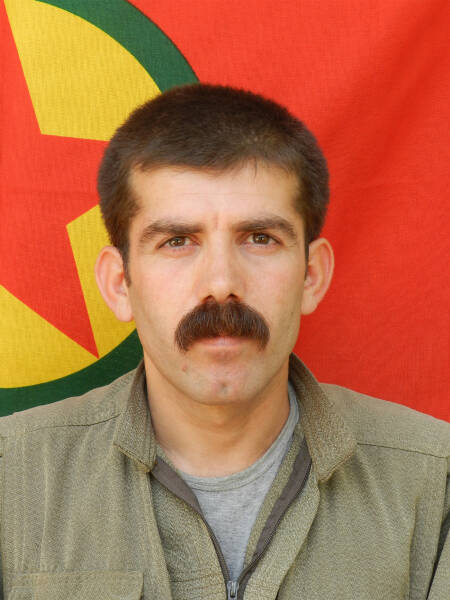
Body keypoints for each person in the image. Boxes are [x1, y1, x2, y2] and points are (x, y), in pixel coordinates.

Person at [0, 84, 448, 600]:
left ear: (311, 275)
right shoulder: (13, 481)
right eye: (177, 241)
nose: (220, 282)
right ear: (120, 284)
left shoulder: (434, 486)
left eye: (259, 238)